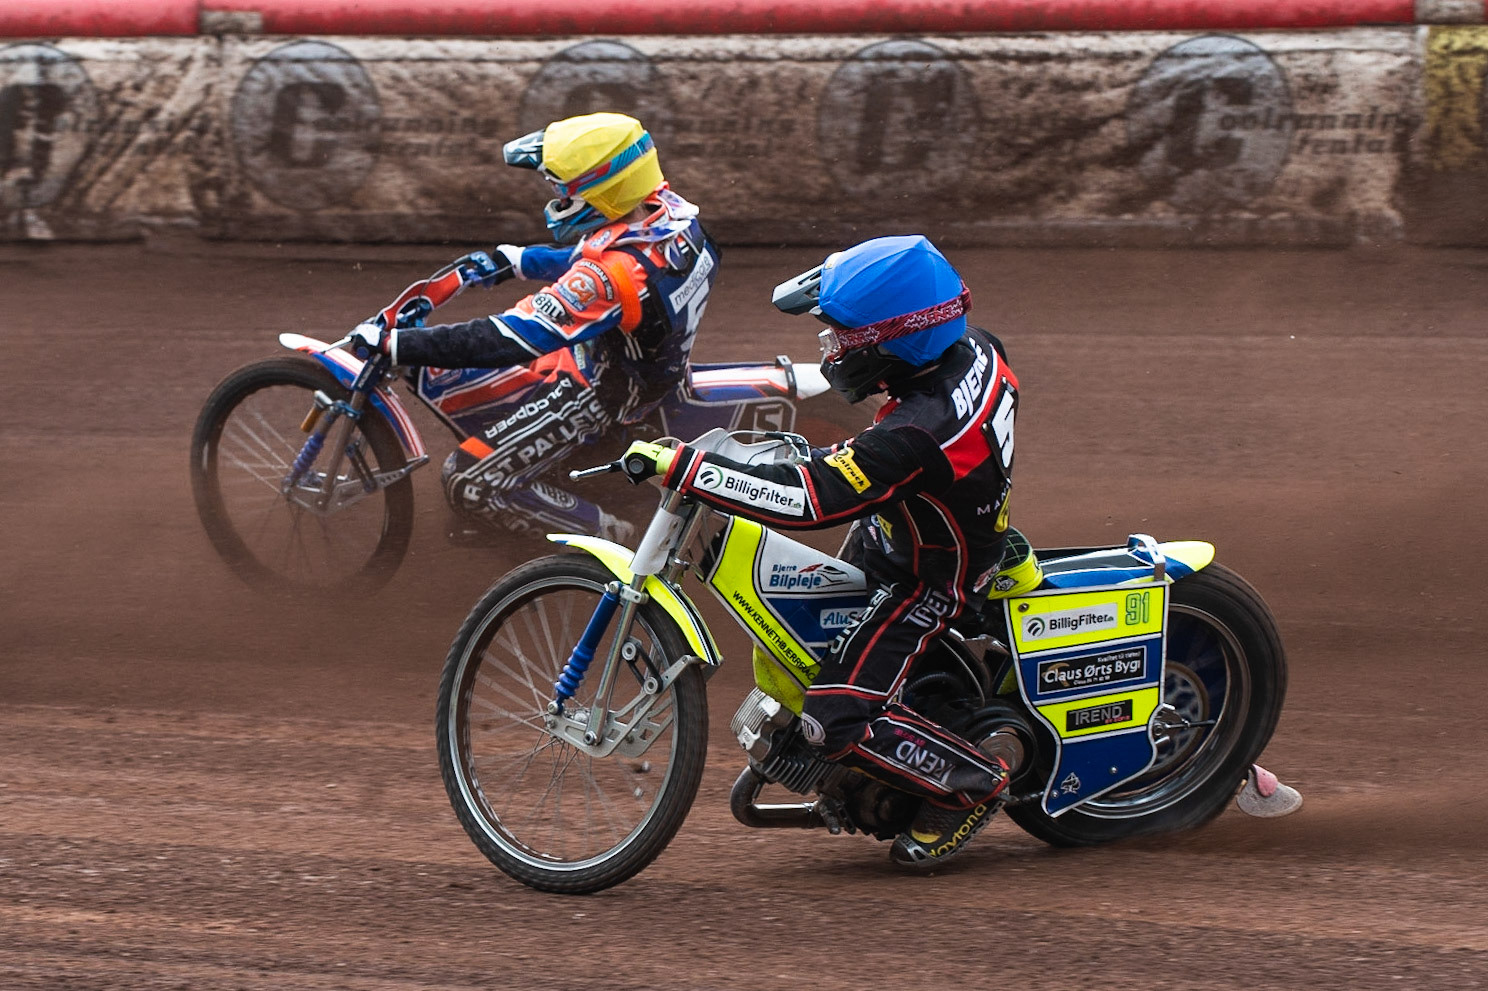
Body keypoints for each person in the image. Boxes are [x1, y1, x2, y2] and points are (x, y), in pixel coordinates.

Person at [622, 235, 1020, 868]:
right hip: (921, 523)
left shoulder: (918, 430)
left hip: (928, 578)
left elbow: (817, 502)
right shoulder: (974, 349)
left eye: (844, 337)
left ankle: (973, 784)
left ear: (896, 340)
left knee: (832, 721)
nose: (832, 348)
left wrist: (690, 468)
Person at [351, 112, 720, 542]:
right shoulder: (675, 219)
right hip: (644, 363)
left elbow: (507, 339)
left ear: (604, 192)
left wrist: (398, 345)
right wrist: (516, 259)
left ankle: (614, 540)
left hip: (599, 393)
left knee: (467, 480)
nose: (557, 202)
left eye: (565, 193)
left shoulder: (610, 277)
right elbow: (608, 255)